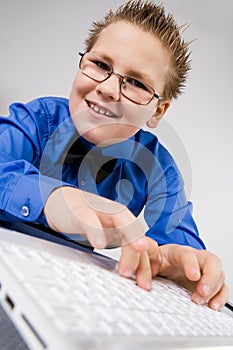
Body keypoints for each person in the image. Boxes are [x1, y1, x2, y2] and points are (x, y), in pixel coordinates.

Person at [0, 0, 228, 310]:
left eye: (135, 83)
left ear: (157, 111)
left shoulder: (158, 168)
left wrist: (182, 265)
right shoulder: (37, 119)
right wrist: (55, 199)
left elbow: (178, 242)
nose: (108, 89)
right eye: (101, 65)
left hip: (65, 298)